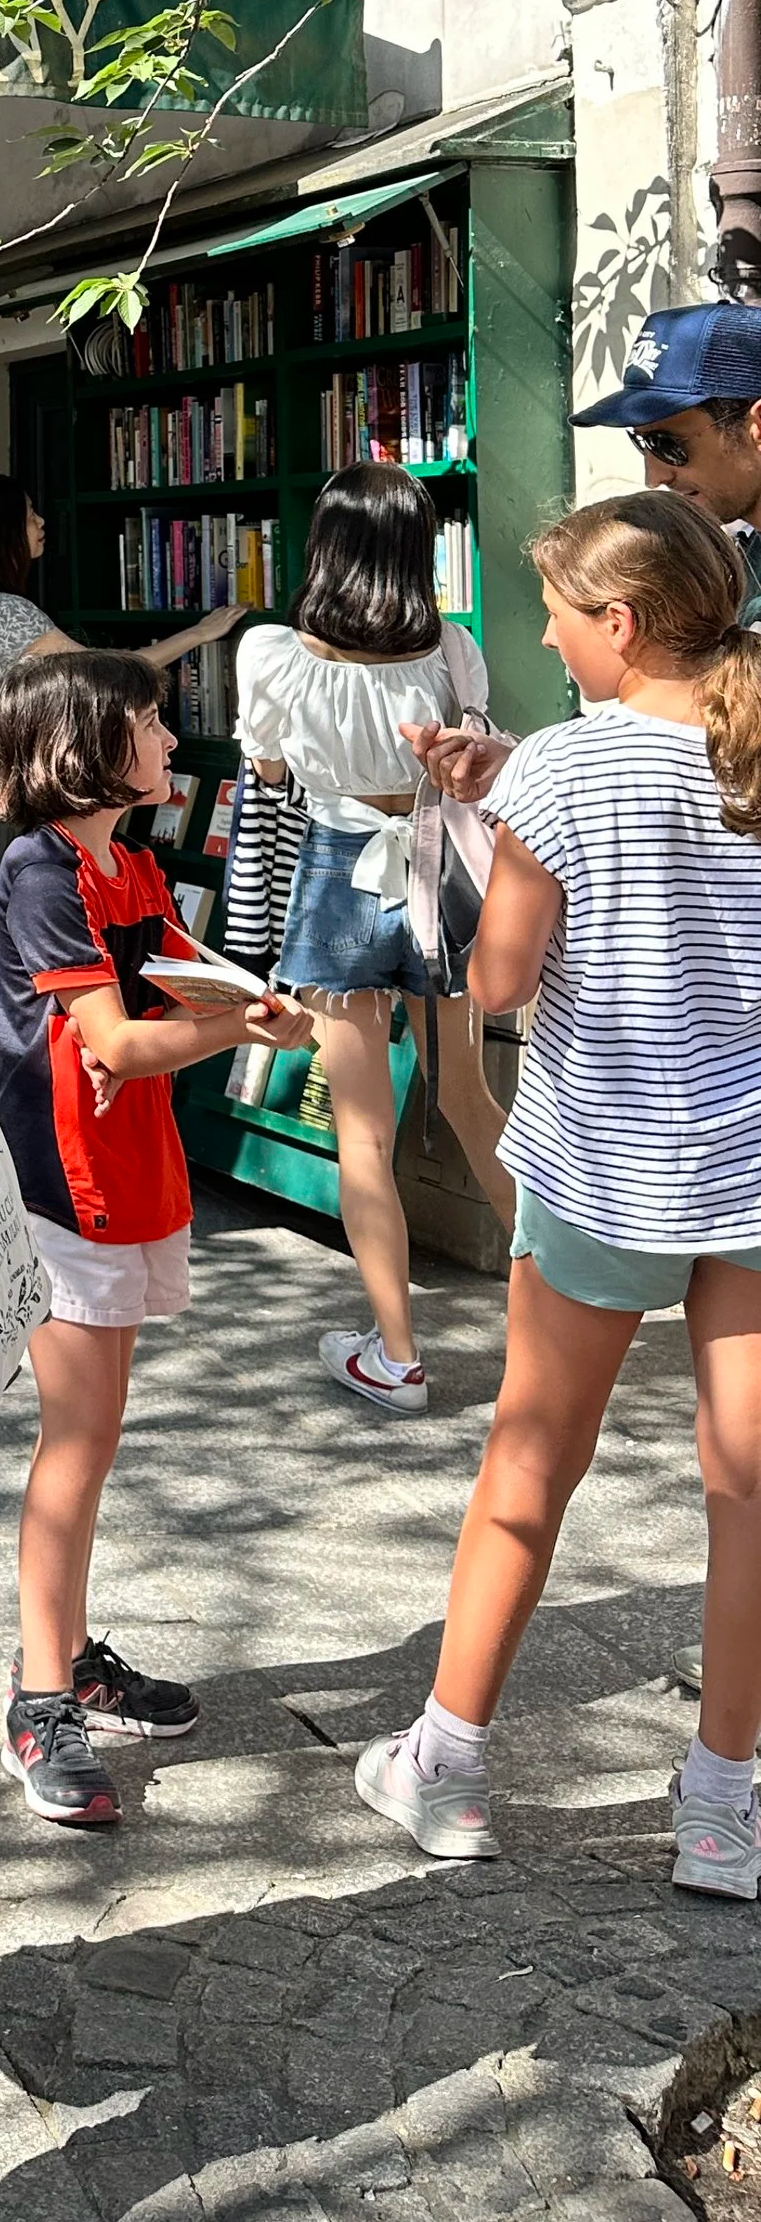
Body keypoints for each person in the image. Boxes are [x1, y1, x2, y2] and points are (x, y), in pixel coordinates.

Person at [356, 494, 761, 1892]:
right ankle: (721, 1807)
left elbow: (503, 983)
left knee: (530, 1466)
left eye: (557, 615)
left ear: (623, 625)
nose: (539, 635)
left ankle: (450, 1766)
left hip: (605, 1162)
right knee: (747, 1494)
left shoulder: (568, 779)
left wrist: (487, 847)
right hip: (752, 1172)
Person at [0, 648, 314, 1827]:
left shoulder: (120, 858)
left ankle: (67, 1658)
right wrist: (239, 1033)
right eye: (151, 724)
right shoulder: (39, 871)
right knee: (74, 1443)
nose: (172, 743)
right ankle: (37, 1699)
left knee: (95, 1435)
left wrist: (245, 1001)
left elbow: (169, 979)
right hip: (58, 1190)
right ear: (85, 747)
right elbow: (115, 1040)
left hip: (121, 1177)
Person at [236, 464, 516, 1414]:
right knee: (471, 1100)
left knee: (363, 1132)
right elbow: (473, 754)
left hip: (338, 871)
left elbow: (267, 766)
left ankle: (397, 1355)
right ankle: (554, 1317)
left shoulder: (273, 652)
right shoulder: (451, 648)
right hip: (438, 875)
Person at [0, 473, 243, 1064]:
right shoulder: (5, 612)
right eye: (27, 514)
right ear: (0, 533)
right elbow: (96, 678)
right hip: (17, 765)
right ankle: (53, 1052)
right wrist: (197, 634)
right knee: (42, 913)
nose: (41, 524)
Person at [407, 300, 761, 809]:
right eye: (642, 443)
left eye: (669, 444)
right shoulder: (737, 551)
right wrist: (530, 774)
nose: (655, 476)